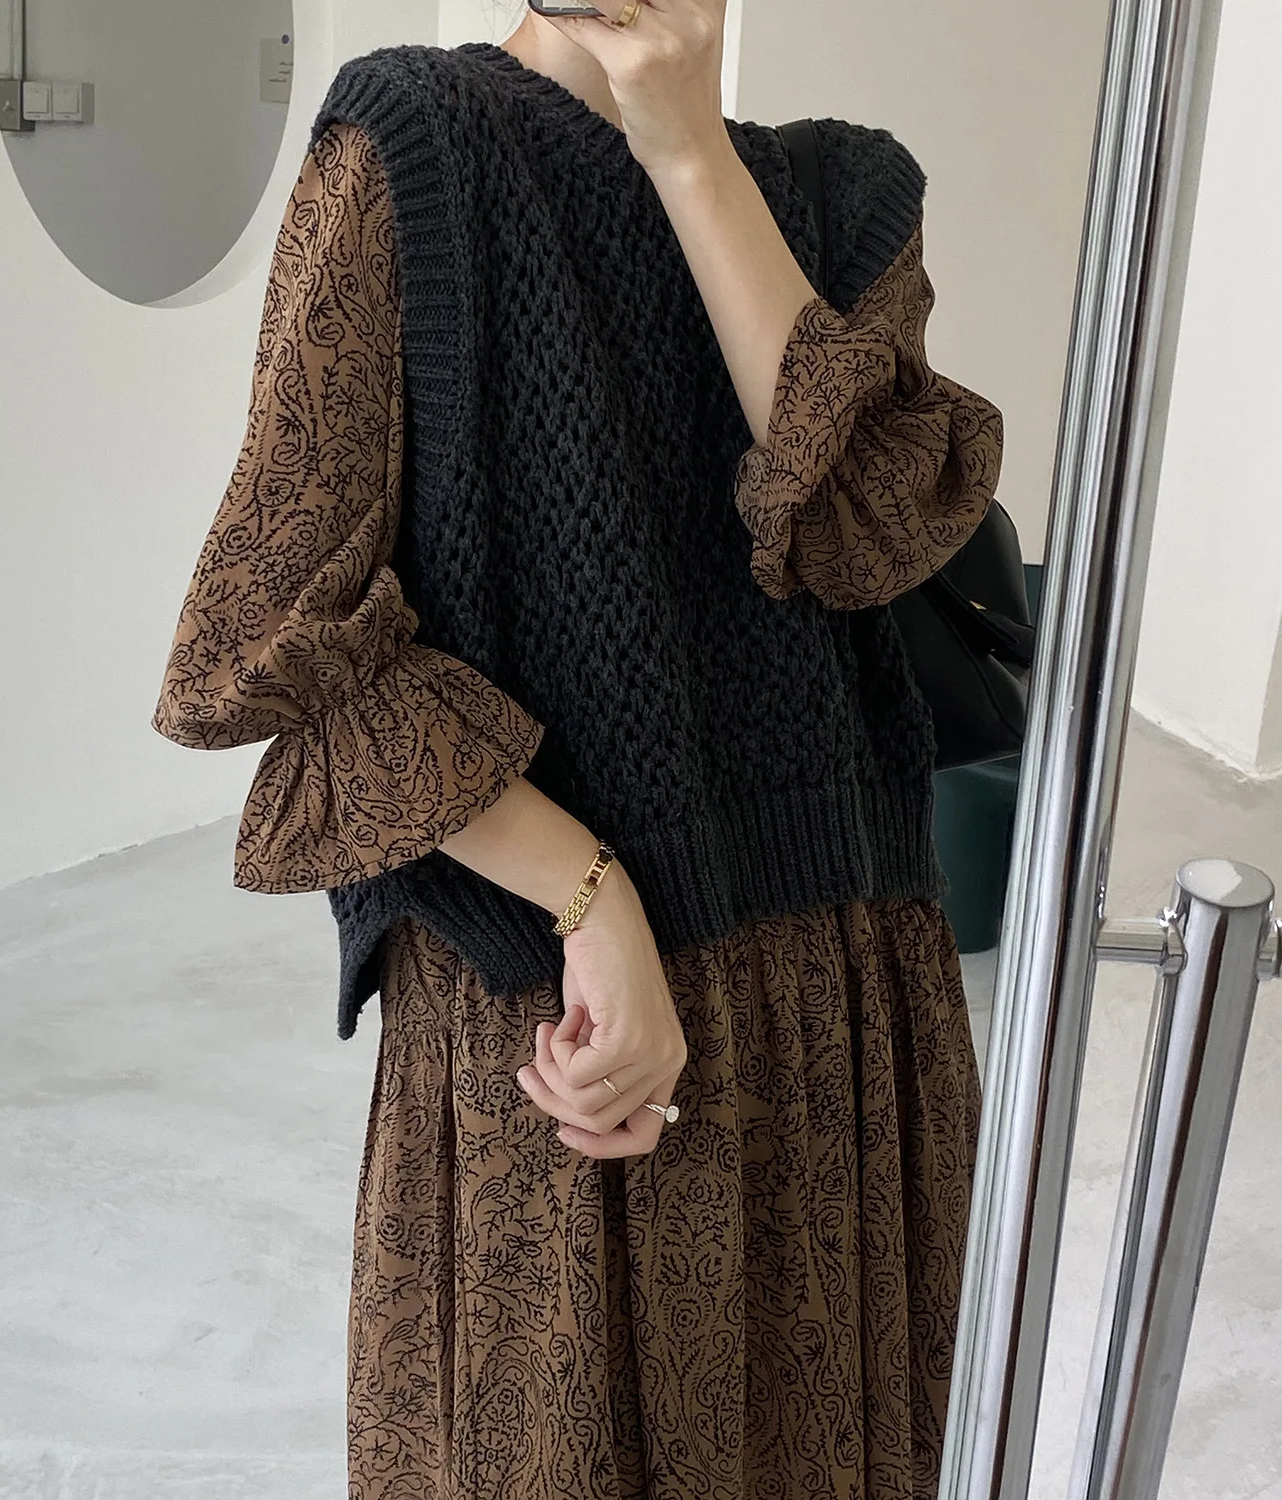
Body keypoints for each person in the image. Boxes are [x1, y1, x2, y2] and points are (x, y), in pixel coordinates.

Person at [152, 0, 1005, 1494]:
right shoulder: (417, 147)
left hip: (839, 998)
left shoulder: (844, 194)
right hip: (556, 1014)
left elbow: (869, 530)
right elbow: (271, 634)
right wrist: (589, 899)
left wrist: (688, 153)